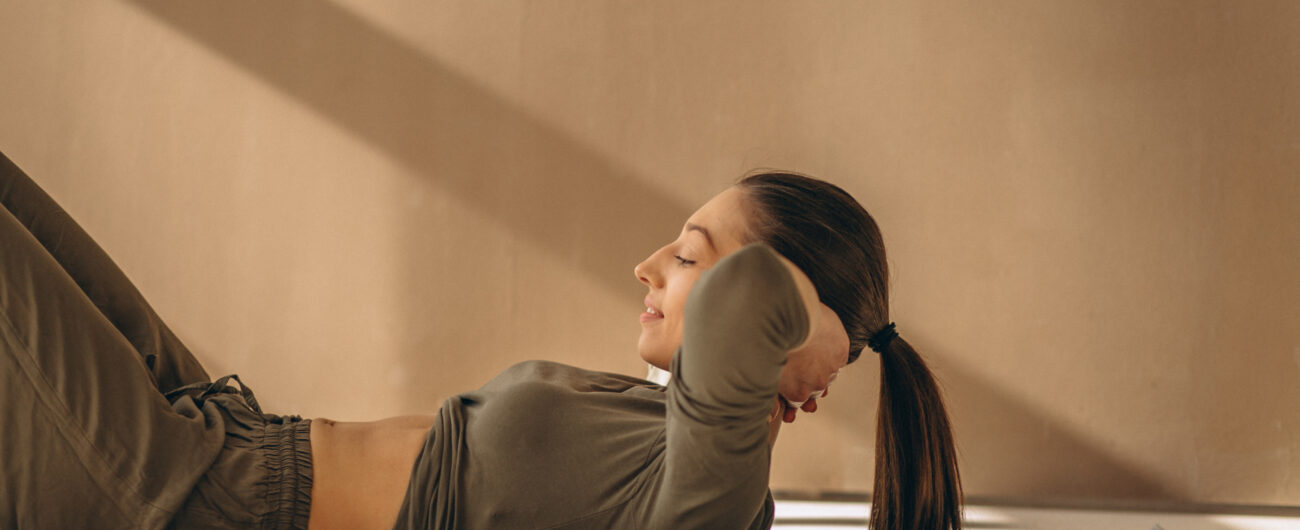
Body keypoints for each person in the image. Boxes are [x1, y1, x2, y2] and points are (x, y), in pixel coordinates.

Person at [0, 149, 961, 530]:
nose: (648, 264)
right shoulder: (661, 433)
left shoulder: (717, 504)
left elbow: (746, 301)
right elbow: (741, 303)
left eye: (688, 253)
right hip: (227, 437)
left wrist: (823, 335)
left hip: (191, 501)